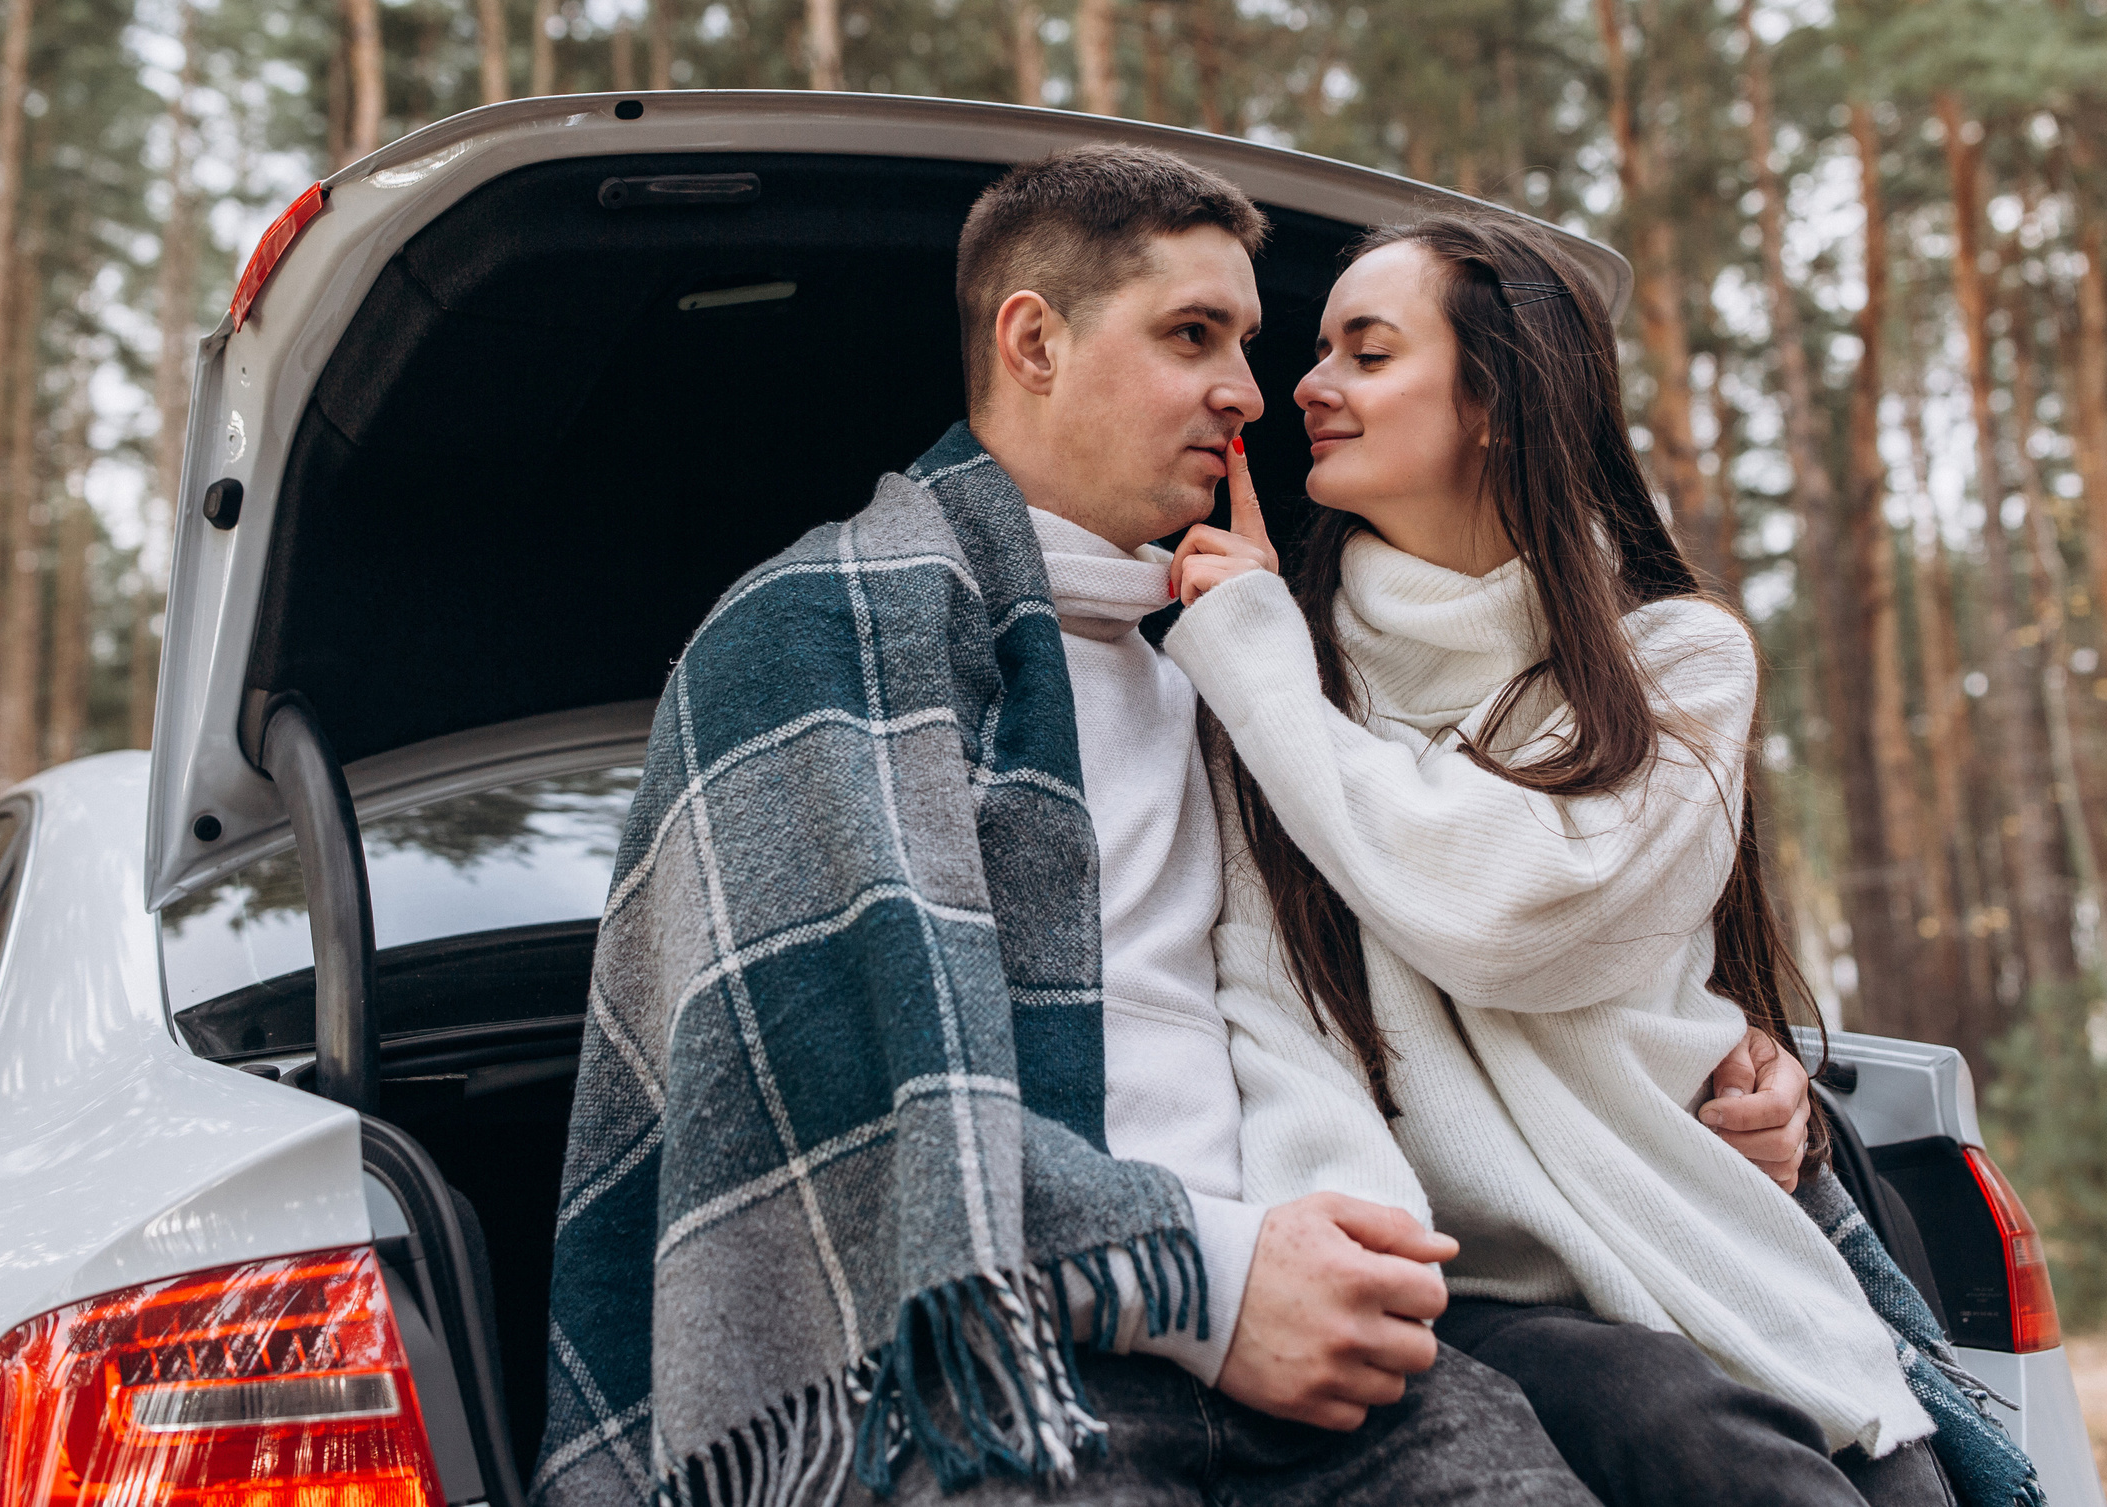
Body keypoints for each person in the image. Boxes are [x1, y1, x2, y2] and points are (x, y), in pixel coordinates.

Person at [536, 147, 1816, 1507]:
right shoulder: (819, 632)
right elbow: (844, 1095)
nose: (1252, 394)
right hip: (1015, 1355)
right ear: (1034, 340)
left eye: (1250, 343)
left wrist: (1739, 1079)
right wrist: (1209, 1277)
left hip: (1346, 1335)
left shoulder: (1257, 668)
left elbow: (1477, 928)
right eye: (1193, 335)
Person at [1157, 213, 2042, 1507]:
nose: (1306, 382)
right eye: (1322, 347)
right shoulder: (1263, 671)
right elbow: (1266, 1006)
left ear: (1496, 406)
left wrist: (1261, 673)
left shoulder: (1673, 663)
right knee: (1685, 1426)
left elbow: (1520, 913)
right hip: (1475, 1301)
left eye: (1368, 349)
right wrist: (1348, 1254)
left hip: (1723, 1269)